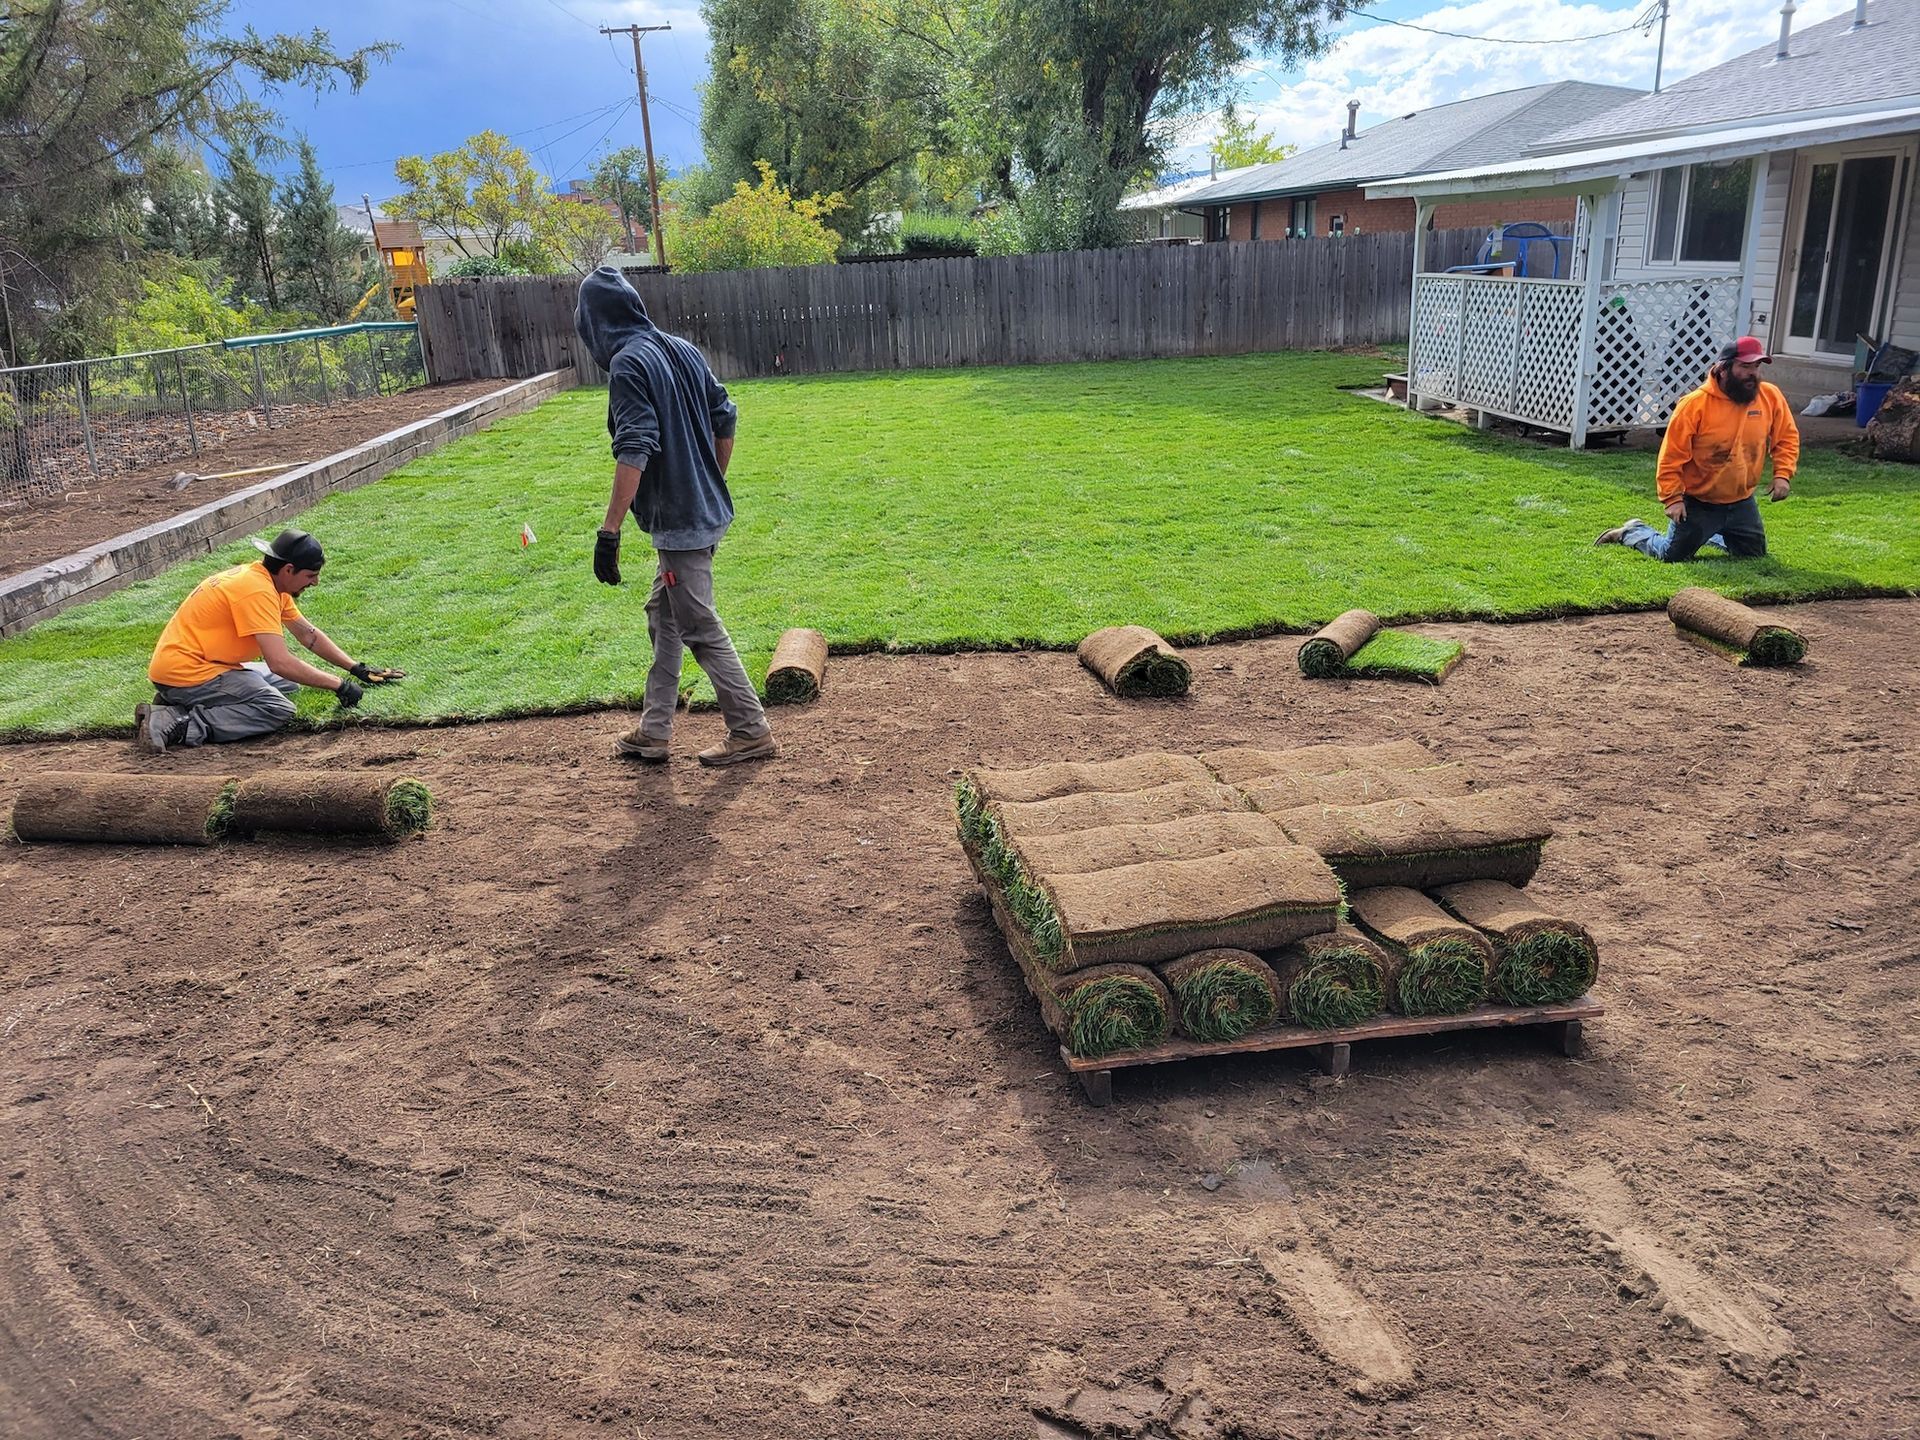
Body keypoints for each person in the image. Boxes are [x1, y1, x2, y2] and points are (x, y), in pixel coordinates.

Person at [574, 265, 776, 767]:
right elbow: (725, 413)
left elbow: (635, 446)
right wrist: (713, 477)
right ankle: (654, 730)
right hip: (706, 511)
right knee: (663, 616)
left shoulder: (628, 365)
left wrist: (610, 530)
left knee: (699, 626)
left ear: (594, 323)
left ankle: (750, 730)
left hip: (683, 524)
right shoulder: (681, 347)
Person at [134, 527, 404, 753]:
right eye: (311, 575)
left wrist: (356, 668)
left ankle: (175, 702)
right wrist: (340, 686)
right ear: (288, 569)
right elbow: (279, 662)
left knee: (289, 684)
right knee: (275, 707)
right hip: (187, 673)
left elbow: (307, 635)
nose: (316, 582)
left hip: (203, 666)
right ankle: (178, 721)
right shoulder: (256, 592)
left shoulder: (269, 583)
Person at [1595, 336, 1799, 561]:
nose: (1753, 373)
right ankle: (1633, 531)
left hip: (1741, 500)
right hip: (1699, 501)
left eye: (1756, 366)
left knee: (1753, 556)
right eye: (1745, 366)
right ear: (1723, 369)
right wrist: (1672, 499)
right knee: (1670, 555)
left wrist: (1783, 475)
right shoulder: (1694, 405)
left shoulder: (1770, 396)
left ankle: (1710, 533)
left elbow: (1787, 437)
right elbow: (1671, 456)